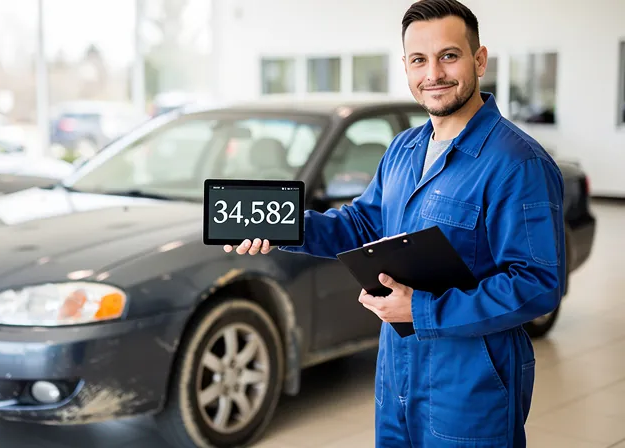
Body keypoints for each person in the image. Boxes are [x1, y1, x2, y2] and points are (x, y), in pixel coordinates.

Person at [224, 0, 566, 446]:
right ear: (405, 67)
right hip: (397, 377)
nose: (434, 75)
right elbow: (363, 224)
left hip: (470, 385)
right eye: (419, 60)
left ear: (479, 60)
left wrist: (422, 310)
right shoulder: (404, 149)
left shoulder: (517, 164)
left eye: (449, 56)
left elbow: (537, 283)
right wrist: (284, 226)